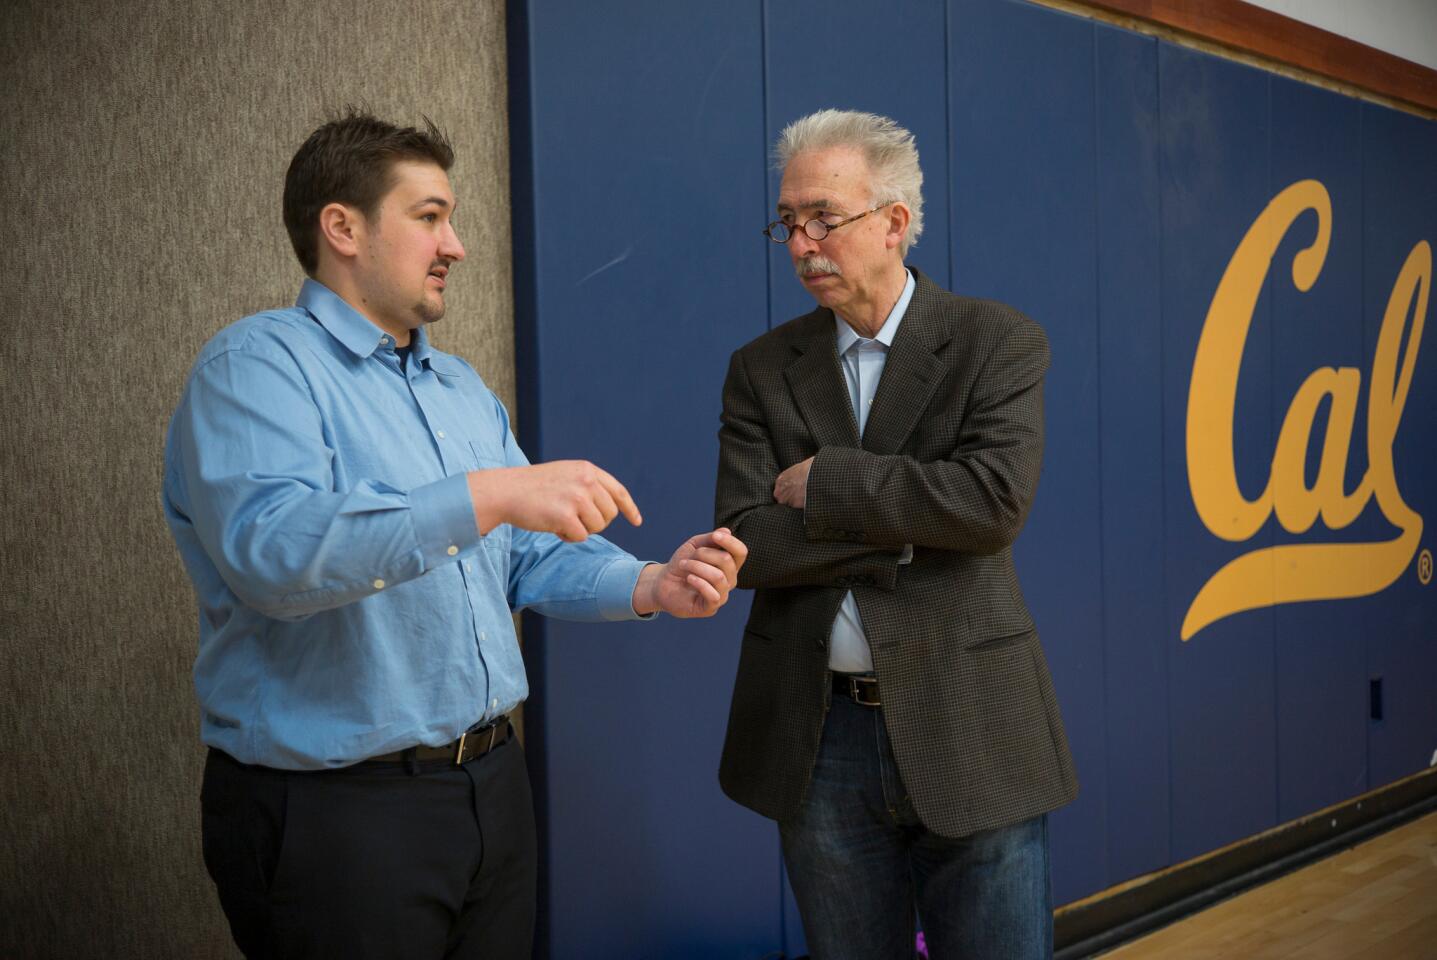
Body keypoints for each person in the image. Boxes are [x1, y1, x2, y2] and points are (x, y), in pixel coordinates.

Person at [163, 111, 747, 960]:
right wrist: (485, 494)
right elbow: (275, 556)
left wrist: (648, 584)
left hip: (489, 792)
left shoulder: (459, 386)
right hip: (336, 814)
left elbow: (522, 555)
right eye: (429, 215)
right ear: (343, 228)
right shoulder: (255, 367)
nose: (457, 244)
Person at [714, 109, 1077, 959]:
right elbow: (745, 542)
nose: (802, 242)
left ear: (894, 223)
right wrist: (912, 526)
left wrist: (828, 486)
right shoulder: (760, 369)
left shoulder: (996, 341)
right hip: (819, 737)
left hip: (971, 721)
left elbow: (990, 505)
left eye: (823, 219)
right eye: (787, 222)